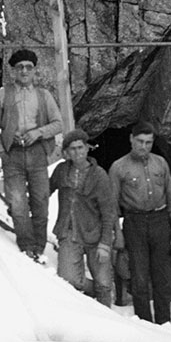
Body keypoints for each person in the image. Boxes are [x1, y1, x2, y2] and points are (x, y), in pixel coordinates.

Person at [0, 49, 64, 259]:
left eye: (28, 67)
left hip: (37, 154)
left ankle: (39, 246)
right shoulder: (2, 95)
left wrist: (38, 133)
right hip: (12, 156)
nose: (24, 71)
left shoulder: (43, 95)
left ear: (34, 70)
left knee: (40, 200)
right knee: (18, 203)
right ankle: (26, 245)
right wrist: (2, 153)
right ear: (13, 70)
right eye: (20, 67)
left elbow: (58, 123)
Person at [109, 122, 171, 324]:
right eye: (140, 142)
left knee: (162, 276)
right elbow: (112, 205)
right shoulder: (118, 167)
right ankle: (146, 324)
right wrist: (118, 233)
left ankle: (164, 323)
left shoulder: (161, 163)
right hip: (134, 222)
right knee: (140, 278)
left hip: (160, 222)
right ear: (131, 139)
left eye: (149, 143)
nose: (144, 146)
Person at [49, 129, 116, 306]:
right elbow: (45, 191)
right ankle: (87, 307)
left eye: (80, 147)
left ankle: (108, 321)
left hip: (95, 235)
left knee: (103, 284)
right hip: (69, 232)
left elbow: (108, 212)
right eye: (72, 149)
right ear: (66, 152)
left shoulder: (99, 175)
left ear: (87, 149)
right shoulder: (61, 170)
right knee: (68, 279)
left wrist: (105, 244)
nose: (77, 152)